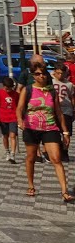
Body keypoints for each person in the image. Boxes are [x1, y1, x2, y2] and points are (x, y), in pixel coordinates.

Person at [16, 59, 74, 203]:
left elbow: (59, 112)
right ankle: (31, 185)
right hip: (31, 128)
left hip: (50, 127)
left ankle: (64, 191)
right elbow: (20, 108)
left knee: (56, 158)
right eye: (37, 74)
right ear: (33, 75)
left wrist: (65, 132)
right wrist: (20, 121)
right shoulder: (27, 89)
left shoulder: (51, 91)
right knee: (31, 158)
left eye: (43, 74)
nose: (40, 76)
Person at [0, 77, 20, 163]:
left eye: (10, 88)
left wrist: (20, 118)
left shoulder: (16, 94)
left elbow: (19, 106)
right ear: (3, 86)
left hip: (13, 118)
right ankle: (7, 151)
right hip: (3, 118)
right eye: (7, 88)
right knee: (5, 136)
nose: (8, 90)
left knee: (13, 135)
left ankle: (13, 154)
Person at [52, 61, 73, 163]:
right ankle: (55, 151)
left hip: (66, 110)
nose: (60, 75)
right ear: (54, 72)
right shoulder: (51, 82)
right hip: (54, 110)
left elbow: (72, 97)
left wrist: (73, 109)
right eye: (58, 73)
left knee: (66, 133)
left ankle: (65, 152)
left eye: (62, 73)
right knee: (54, 133)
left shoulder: (69, 84)